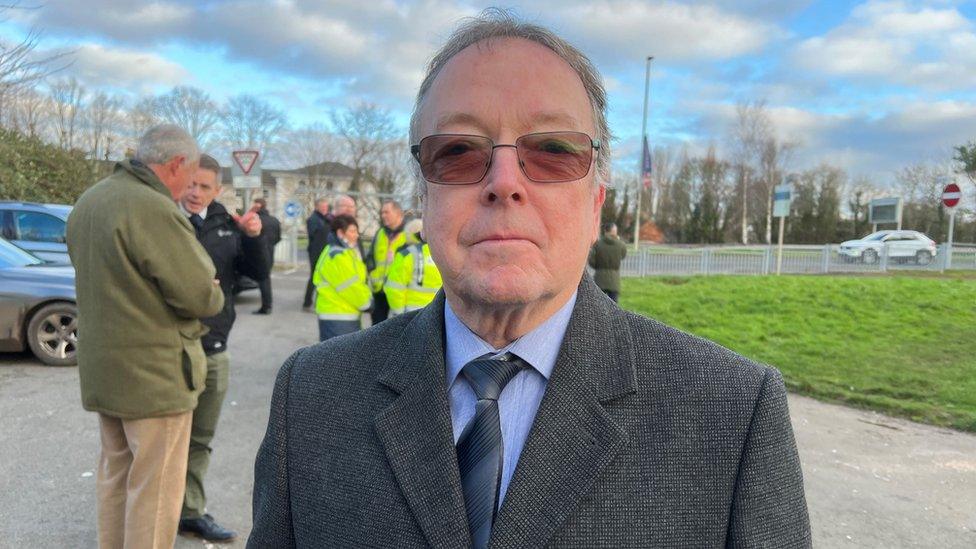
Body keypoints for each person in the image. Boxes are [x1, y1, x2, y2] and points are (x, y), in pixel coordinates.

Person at [249, 10, 810, 549]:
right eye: (460, 151)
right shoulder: (313, 394)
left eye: (551, 150)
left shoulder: (732, 414)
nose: (504, 182)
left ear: (596, 202)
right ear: (424, 196)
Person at [66, 124, 224, 549]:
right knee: (155, 493)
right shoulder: (152, 208)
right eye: (189, 177)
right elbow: (201, 295)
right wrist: (210, 284)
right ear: (174, 165)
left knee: (115, 477)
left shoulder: (91, 200)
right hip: (154, 376)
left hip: (104, 370)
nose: (189, 187)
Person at [175, 154, 269, 542]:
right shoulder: (164, 220)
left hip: (215, 346)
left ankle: (190, 510)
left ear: (218, 191)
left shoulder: (225, 225)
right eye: (191, 184)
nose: (195, 193)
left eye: (205, 187)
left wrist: (253, 237)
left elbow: (257, 273)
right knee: (164, 440)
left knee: (200, 438)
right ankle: (156, 511)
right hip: (171, 349)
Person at [312, 214, 372, 341]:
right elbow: (351, 286)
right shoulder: (338, 256)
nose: (356, 235)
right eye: (352, 231)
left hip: (339, 316)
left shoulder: (337, 251)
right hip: (339, 317)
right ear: (340, 233)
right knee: (341, 359)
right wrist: (368, 303)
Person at [384, 218, 441, 317]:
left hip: (409, 315)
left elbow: (393, 288)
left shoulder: (406, 255)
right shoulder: (440, 253)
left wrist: (398, 314)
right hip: (437, 314)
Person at [367, 200, 407, 323]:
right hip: (379, 290)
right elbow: (370, 257)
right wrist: (372, 272)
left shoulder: (409, 233)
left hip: (399, 291)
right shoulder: (380, 233)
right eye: (382, 212)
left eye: (386, 212)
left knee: (399, 328)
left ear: (398, 213)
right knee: (377, 329)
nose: (383, 215)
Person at [252, 197, 281, 315]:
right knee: (266, 278)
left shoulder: (255, 220)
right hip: (270, 252)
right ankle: (267, 305)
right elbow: (278, 238)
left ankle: (266, 306)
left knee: (263, 280)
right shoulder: (274, 220)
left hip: (257, 253)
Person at [302, 198, 332, 310]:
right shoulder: (313, 219)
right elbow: (315, 234)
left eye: (326, 207)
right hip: (316, 251)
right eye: (323, 207)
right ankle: (307, 302)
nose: (325, 209)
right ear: (317, 207)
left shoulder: (326, 219)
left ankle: (316, 302)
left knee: (322, 277)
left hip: (323, 251)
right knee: (315, 277)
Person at [588, 222, 627, 302]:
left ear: (605, 231)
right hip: (614, 281)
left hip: (599, 279)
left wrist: (598, 267)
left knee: (598, 306)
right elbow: (623, 256)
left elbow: (591, 260)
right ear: (615, 231)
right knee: (613, 308)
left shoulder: (597, 244)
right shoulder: (621, 245)